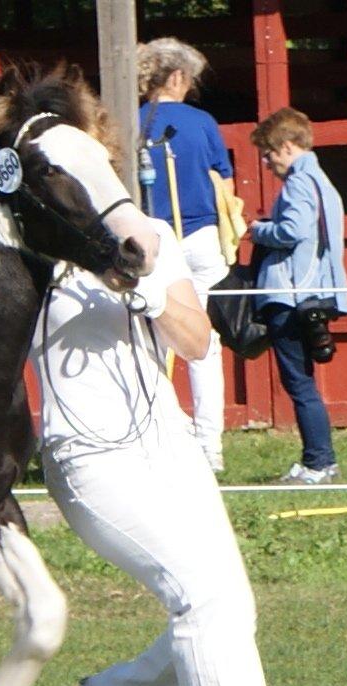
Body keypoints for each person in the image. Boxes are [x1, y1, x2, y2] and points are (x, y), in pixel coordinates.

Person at [30, 216, 300, 686]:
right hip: (86, 454)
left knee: (230, 606)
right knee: (203, 600)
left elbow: (198, 340)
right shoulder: (35, 241)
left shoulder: (150, 234)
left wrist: (144, 285)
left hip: (169, 444)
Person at [137, 37, 234, 473]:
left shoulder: (131, 120)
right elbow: (222, 177)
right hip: (199, 239)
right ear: (176, 77)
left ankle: (157, 435)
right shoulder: (202, 122)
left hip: (152, 237)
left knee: (152, 338)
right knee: (204, 343)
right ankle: (208, 445)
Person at [250, 107, 347, 484]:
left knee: (298, 381)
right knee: (303, 378)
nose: (266, 161)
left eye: (269, 152)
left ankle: (318, 463)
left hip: (291, 294)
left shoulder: (297, 183)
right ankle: (321, 460)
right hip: (314, 293)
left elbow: (293, 230)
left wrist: (259, 230)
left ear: (288, 146)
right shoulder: (323, 182)